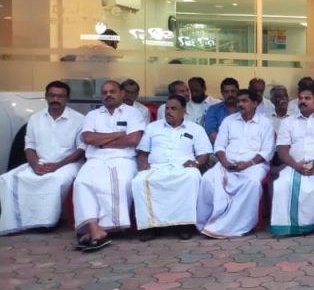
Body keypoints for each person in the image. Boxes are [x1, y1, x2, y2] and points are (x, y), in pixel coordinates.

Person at [0, 81, 85, 235]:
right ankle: (18, 222)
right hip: (40, 162)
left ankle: (47, 222)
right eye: (52, 95)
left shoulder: (79, 119)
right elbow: (29, 146)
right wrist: (34, 165)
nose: (56, 99)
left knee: (56, 180)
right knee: (8, 179)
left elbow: (81, 149)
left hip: (68, 163)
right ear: (46, 97)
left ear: (67, 99)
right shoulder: (35, 118)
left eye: (60, 96)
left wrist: (57, 166)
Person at [73, 80, 148, 252]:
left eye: (112, 91)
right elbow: (88, 138)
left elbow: (132, 140)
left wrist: (101, 140)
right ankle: (95, 229)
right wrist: (118, 134)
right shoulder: (93, 115)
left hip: (123, 158)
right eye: (104, 92)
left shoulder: (133, 113)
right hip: (96, 158)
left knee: (115, 182)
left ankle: (105, 228)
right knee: (81, 183)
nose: (108, 95)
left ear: (121, 93)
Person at [131, 94, 212, 241]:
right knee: (139, 180)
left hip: (184, 168)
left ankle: (185, 225)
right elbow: (142, 153)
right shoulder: (152, 127)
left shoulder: (196, 129)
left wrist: (196, 163)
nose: (169, 111)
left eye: (173, 109)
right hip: (156, 167)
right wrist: (142, 163)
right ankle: (150, 226)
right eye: (167, 108)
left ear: (184, 111)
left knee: (192, 177)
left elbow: (204, 154)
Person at [197, 90, 274, 238]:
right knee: (207, 179)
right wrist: (225, 163)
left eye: (244, 101)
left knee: (252, 183)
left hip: (254, 165)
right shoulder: (229, 121)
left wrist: (248, 164)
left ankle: (239, 225)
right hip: (228, 164)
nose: (240, 104)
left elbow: (267, 151)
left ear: (255, 103)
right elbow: (219, 146)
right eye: (239, 101)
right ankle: (205, 222)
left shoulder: (265, 123)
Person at [270, 86, 314, 236]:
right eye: (301, 98)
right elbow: (282, 150)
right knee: (282, 184)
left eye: (307, 98)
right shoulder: (288, 122)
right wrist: (296, 165)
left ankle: (308, 224)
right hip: (294, 165)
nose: (303, 101)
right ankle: (287, 226)